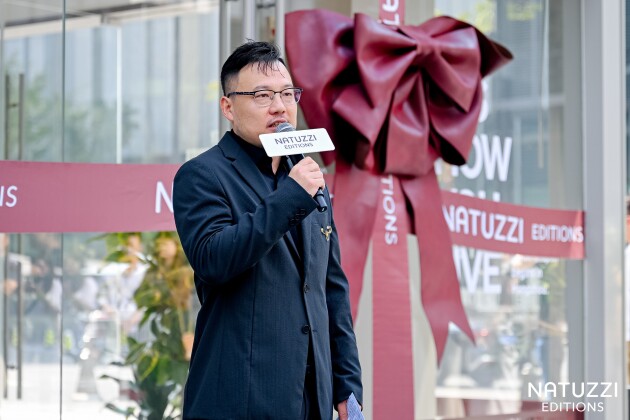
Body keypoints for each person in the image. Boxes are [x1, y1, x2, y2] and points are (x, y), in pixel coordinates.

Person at [173, 41, 362, 419]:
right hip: (241, 398)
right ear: (228, 107)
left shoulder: (306, 176)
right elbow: (214, 260)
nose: (279, 106)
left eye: (287, 94)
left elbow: (331, 288)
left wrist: (347, 384)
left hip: (313, 398)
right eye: (262, 95)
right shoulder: (203, 175)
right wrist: (291, 196)